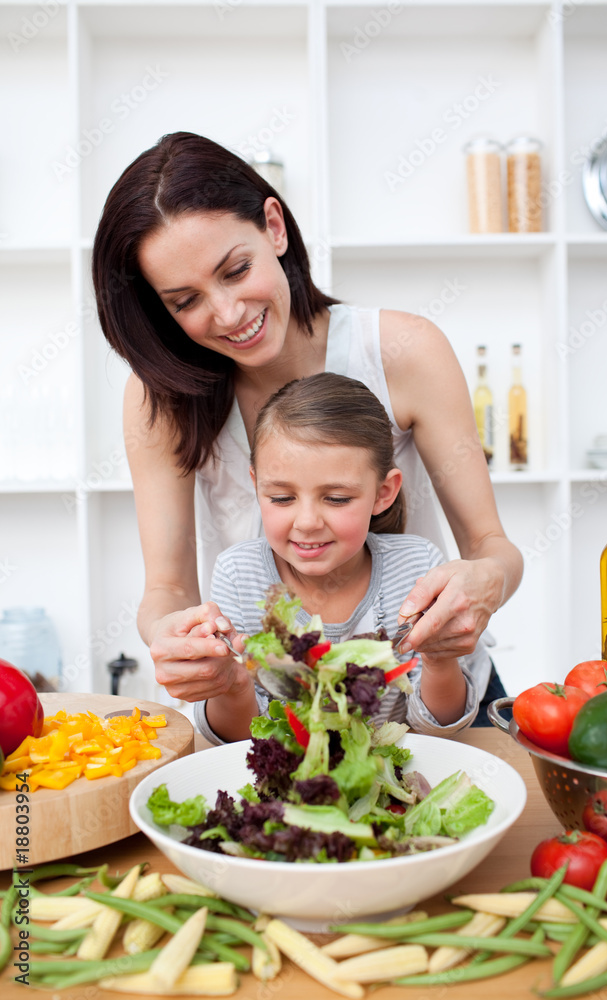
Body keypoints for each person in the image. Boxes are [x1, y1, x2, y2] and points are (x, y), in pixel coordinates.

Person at [92, 131, 522, 725]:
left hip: (431, 695)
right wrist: (172, 634)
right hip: (273, 708)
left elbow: (492, 548)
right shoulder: (159, 398)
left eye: (236, 270)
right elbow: (167, 587)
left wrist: (483, 582)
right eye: (185, 300)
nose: (228, 314)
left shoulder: (404, 350)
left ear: (274, 226)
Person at [195, 372, 473, 744]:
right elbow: (239, 741)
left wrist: (440, 660)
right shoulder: (238, 574)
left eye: (337, 499)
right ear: (255, 484)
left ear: (383, 492)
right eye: (281, 498)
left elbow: (439, 727)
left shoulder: (417, 566)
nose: (307, 523)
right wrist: (231, 685)